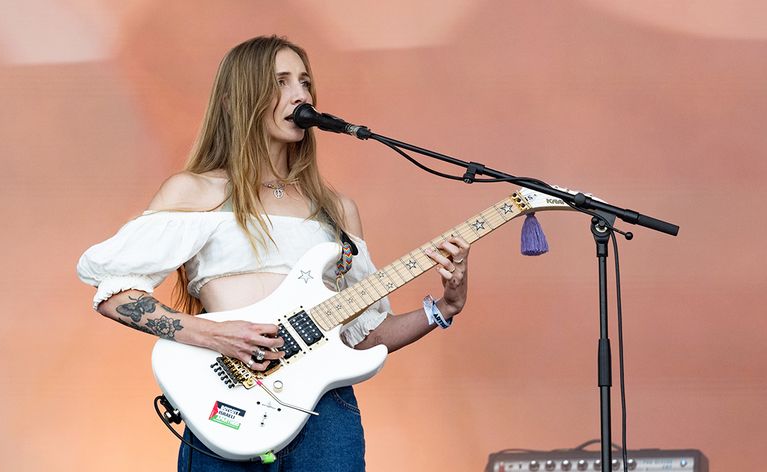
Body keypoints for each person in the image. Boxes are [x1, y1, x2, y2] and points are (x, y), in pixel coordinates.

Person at [76, 35, 471, 472]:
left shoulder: (337, 211)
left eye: (304, 82)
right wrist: (212, 335)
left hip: (325, 418)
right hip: (228, 412)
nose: (301, 94)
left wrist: (445, 307)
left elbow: (365, 335)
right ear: (236, 100)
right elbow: (114, 292)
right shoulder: (197, 192)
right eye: (281, 82)